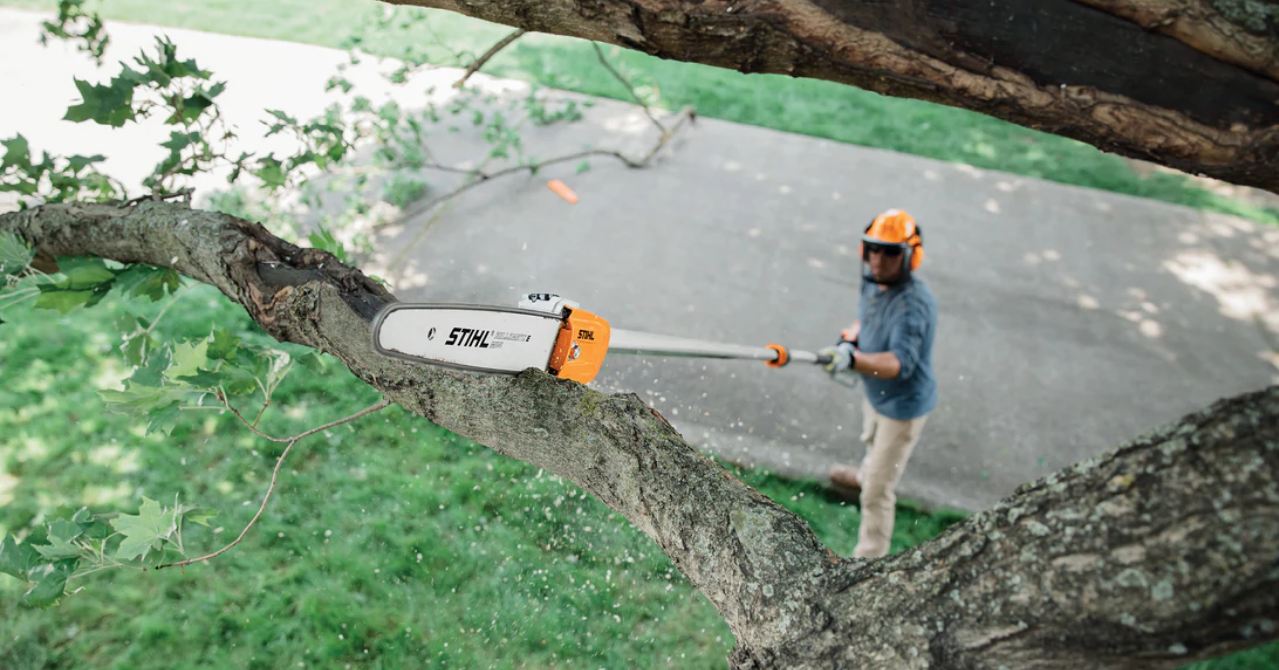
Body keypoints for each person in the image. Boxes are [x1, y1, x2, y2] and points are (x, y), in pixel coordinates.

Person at [820, 209, 938, 559]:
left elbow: (897, 364)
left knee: (878, 493)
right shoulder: (873, 280)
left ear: (909, 256)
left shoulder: (912, 305)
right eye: (873, 249)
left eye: (889, 253)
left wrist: (853, 361)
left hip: (903, 406)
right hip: (876, 395)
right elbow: (868, 318)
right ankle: (864, 474)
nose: (878, 260)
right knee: (872, 441)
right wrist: (851, 340)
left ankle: (867, 563)